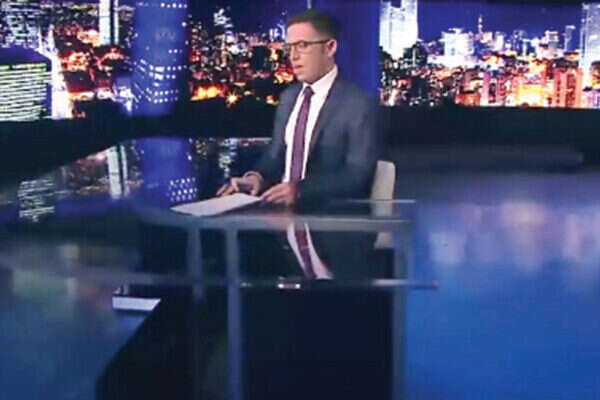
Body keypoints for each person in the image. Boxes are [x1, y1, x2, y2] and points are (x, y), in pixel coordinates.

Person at [217, 8, 380, 206]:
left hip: (327, 214)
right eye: (290, 47)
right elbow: (274, 157)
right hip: (277, 211)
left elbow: (357, 175)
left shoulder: (358, 103)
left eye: (302, 46)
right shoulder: (288, 98)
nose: (293, 56)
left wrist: (300, 191)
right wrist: (255, 177)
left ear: (330, 48)